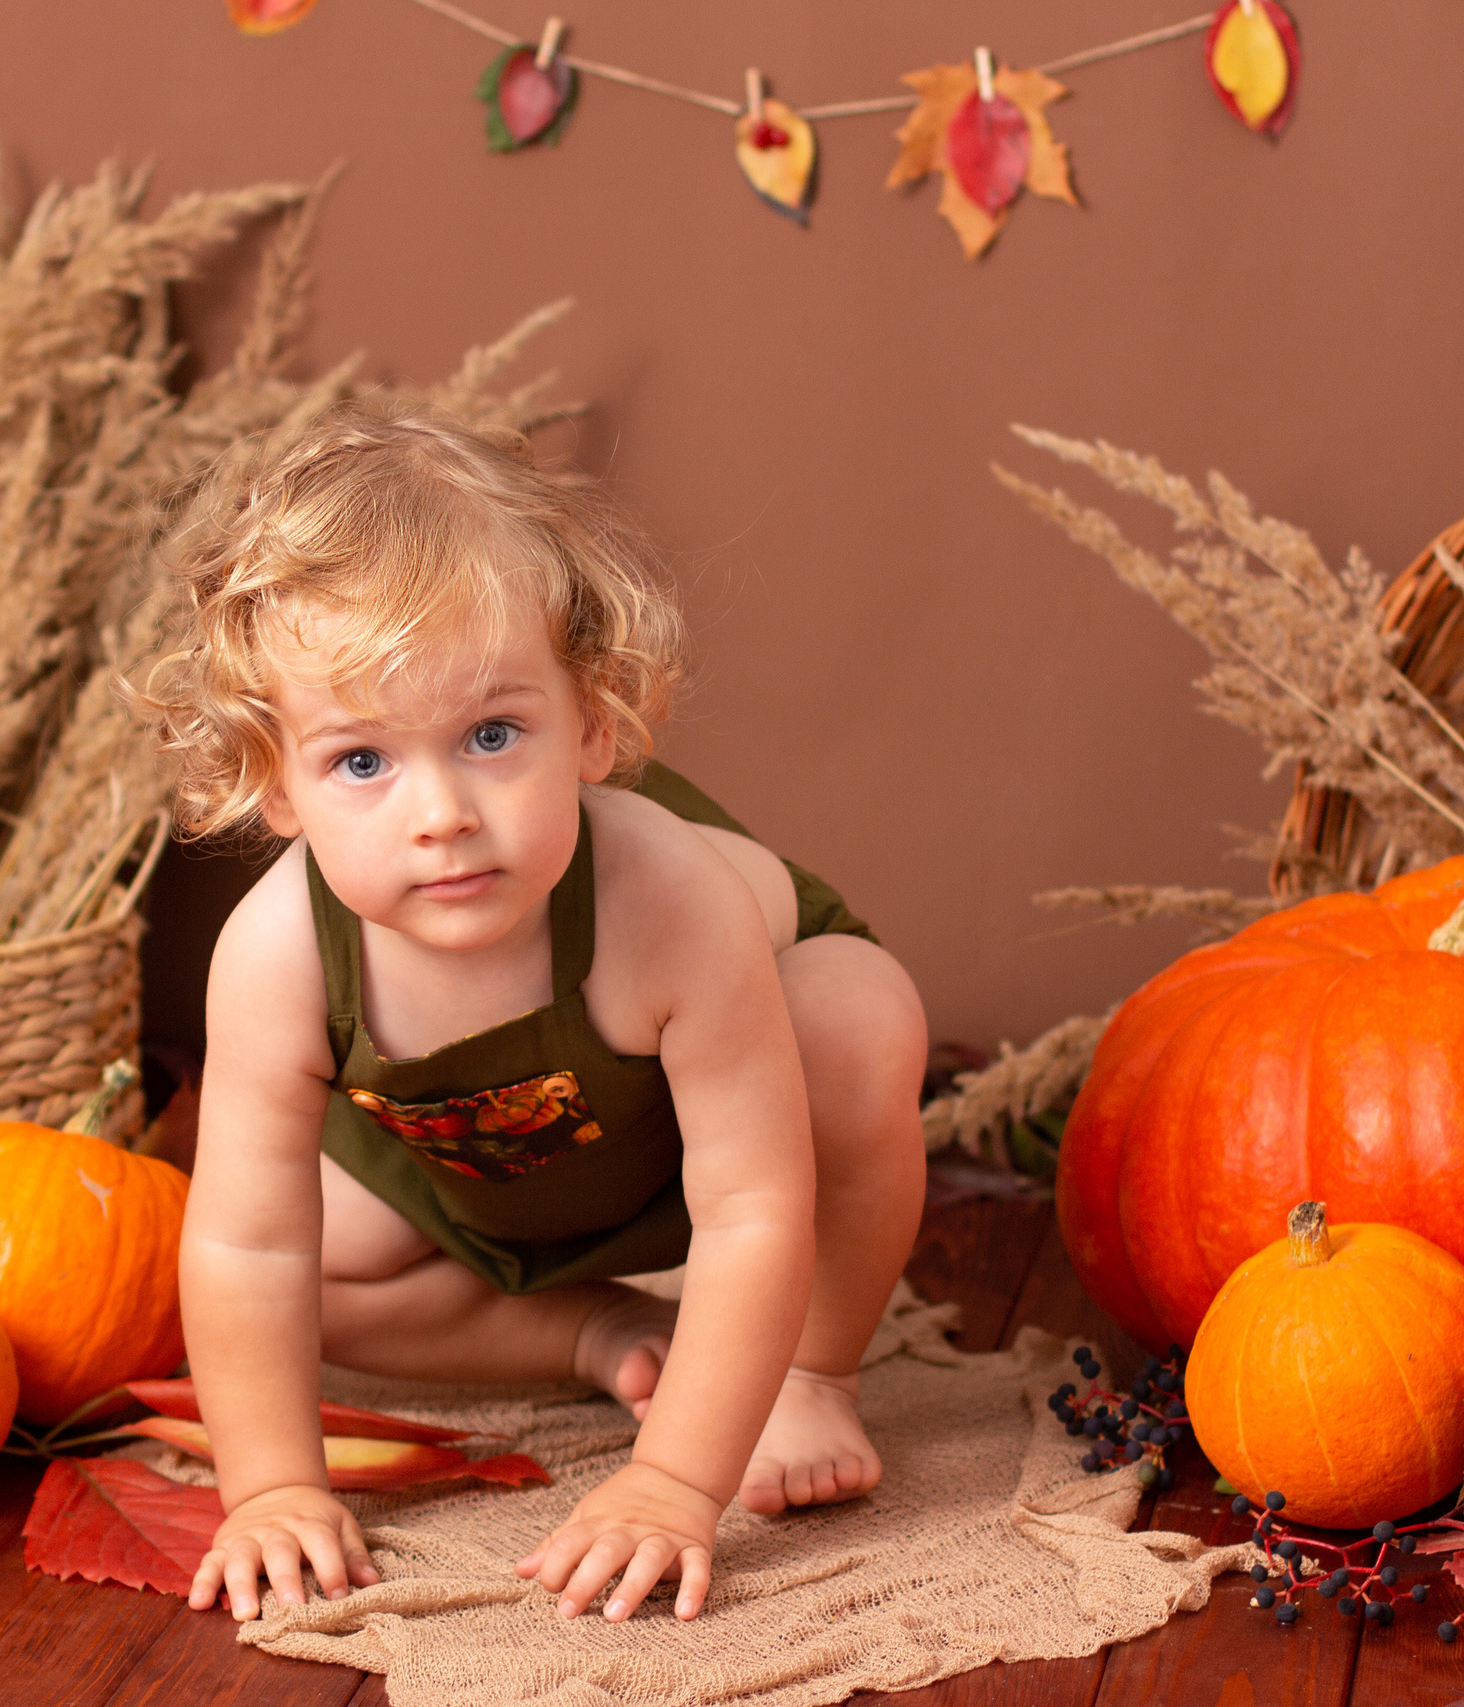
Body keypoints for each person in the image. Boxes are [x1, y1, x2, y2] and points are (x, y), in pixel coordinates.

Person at [124, 401, 927, 1630]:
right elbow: (246, 1250)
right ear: (272, 781)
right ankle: (587, 1334)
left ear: (591, 725)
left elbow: (755, 1207)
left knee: (858, 1022)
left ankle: (810, 1371)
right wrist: (274, 1484)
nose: (439, 811)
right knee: (285, 1274)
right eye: (361, 763)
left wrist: (669, 1486)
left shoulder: (669, 906)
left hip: (705, 1139)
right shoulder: (277, 956)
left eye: (492, 735)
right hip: (469, 1176)